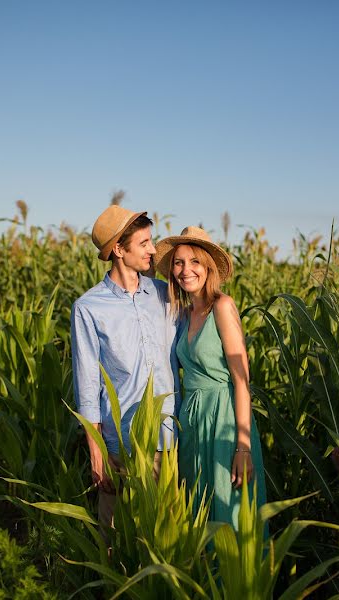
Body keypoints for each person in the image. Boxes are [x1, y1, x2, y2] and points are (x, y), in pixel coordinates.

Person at [70, 205, 179, 528]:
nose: (153, 249)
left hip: (167, 439)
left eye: (151, 241)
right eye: (144, 243)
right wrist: (96, 451)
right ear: (119, 249)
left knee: (166, 537)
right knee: (116, 540)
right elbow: (87, 385)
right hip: (122, 444)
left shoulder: (164, 295)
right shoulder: (88, 308)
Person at [154, 226, 266, 528]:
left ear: (207, 268)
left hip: (224, 418)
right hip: (192, 419)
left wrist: (242, 445)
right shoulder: (185, 314)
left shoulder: (223, 307)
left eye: (194, 262)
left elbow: (242, 380)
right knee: (199, 509)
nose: (185, 270)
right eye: (178, 262)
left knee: (229, 508)